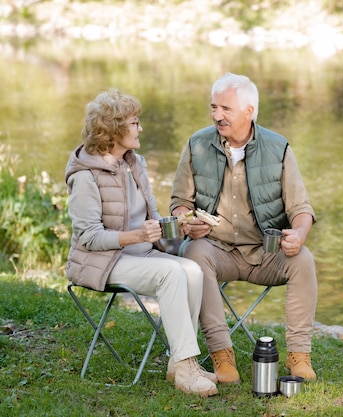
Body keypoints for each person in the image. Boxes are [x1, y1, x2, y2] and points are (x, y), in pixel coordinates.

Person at [65, 88, 218, 397]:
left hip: (142, 254)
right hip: (103, 262)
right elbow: (89, 238)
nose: (140, 129)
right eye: (135, 122)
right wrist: (135, 236)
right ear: (113, 128)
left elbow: (152, 221)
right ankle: (187, 366)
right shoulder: (85, 177)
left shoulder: (135, 164)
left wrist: (182, 227)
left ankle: (179, 362)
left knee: (191, 270)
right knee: (171, 273)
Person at [170, 72, 318, 384]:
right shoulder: (196, 145)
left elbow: (301, 209)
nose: (216, 115)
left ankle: (299, 356)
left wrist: (299, 234)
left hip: (266, 254)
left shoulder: (279, 148)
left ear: (249, 111)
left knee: (303, 259)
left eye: (225, 109)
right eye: (213, 107)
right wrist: (187, 221)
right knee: (192, 252)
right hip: (217, 250)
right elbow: (179, 202)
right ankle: (222, 356)